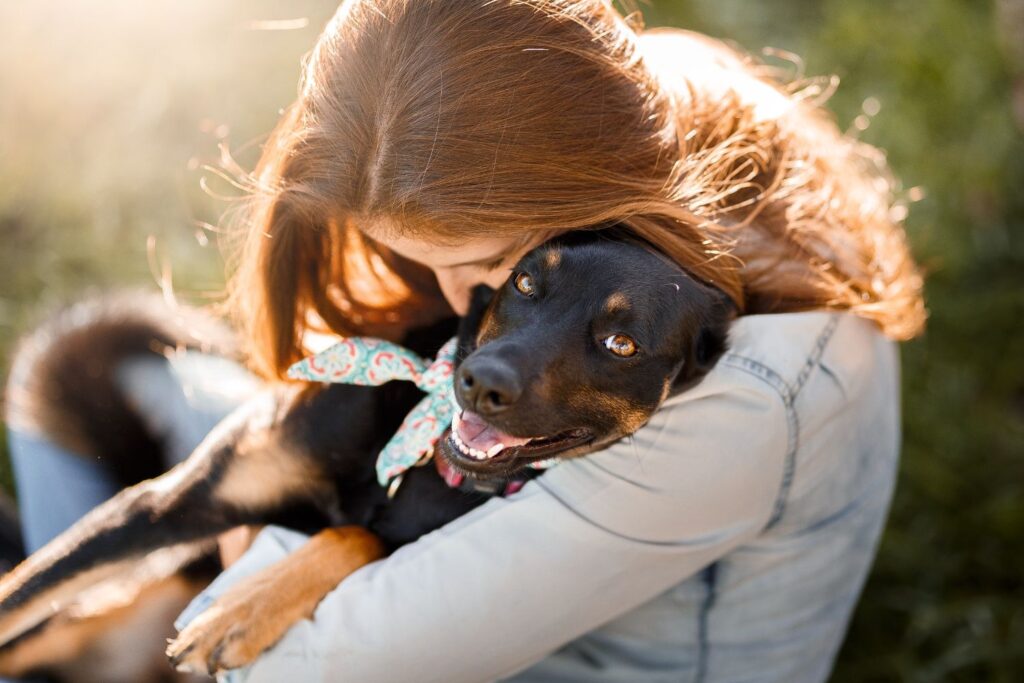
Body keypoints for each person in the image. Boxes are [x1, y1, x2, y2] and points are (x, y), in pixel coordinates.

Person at [5, 1, 926, 681]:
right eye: (409, 256)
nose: (459, 302)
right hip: (413, 484)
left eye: (488, 260)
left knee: (181, 591)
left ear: (578, 198)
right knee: (89, 362)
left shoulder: (720, 403)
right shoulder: (649, 113)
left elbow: (298, 666)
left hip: (534, 653)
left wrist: (251, 522)